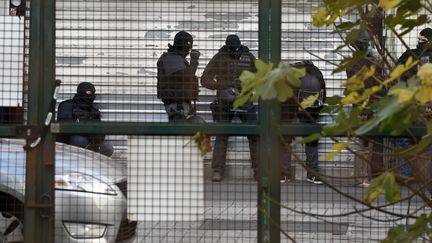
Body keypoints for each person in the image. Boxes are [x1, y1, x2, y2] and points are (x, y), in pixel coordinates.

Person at [201, 34, 258, 182]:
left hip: (244, 100)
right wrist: (223, 86)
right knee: (222, 136)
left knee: (253, 136)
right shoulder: (220, 57)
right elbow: (205, 79)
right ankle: (218, 171)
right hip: (226, 102)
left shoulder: (247, 57)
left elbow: (260, 79)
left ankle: (258, 170)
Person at [346, 30, 383, 187]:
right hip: (363, 107)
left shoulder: (356, 62)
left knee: (365, 145)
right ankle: (360, 178)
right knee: (363, 145)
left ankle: (363, 177)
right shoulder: (360, 63)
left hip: (364, 106)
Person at [280, 60, 326, 184]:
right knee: (292, 137)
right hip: (296, 104)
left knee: (304, 137)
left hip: (298, 104)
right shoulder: (314, 74)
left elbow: (322, 98)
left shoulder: (314, 76)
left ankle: (289, 174)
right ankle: (309, 173)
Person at [57, 82, 114, 157]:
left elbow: (100, 131)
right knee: (78, 140)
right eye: (88, 93)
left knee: (107, 146)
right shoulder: (67, 105)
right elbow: (65, 124)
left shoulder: (94, 111)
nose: (90, 96)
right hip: (69, 143)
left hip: (91, 141)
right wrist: (87, 129)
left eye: (92, 93)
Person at [157, 31, 201, 122]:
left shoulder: (178, 59)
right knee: (179, 132)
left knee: (198, 127)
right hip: (176, 106)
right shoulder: (171, 59)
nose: (189, 52)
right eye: (188, 49)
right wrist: (194, 61)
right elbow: (187, 77)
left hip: (182, 104)